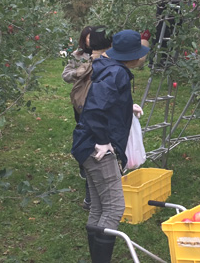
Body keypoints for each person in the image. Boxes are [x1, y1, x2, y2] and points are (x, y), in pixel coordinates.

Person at [71, 30, 148, 263]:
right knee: (114, 208)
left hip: (84, 144)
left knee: (98, 207)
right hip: (97, 148)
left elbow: (104, 100)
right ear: (133, 57)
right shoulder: (117, 74)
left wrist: (126, 107)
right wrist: (104, 141)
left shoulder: (109, 69)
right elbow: (94, 109)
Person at [62, 26, 112, 211]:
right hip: (82, 103)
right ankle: (86, 168)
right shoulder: (78, 56)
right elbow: (65, 75)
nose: (90, 40)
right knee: (86, 134)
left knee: (93, 138)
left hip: (97, 102)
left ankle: (91, 185)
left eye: (93, 37)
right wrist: (79, 72)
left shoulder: (106, 57)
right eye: (87, 37)